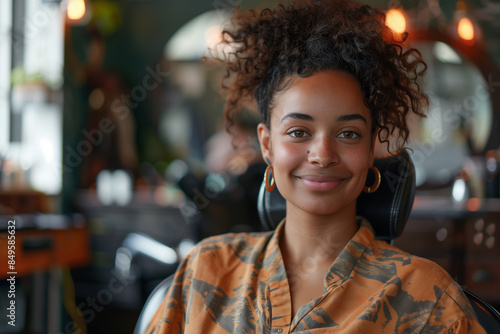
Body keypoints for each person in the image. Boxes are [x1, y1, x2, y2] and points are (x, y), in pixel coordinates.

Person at [143, 0, 486, 332]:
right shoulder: (206, 270)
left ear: (371, 149)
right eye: (298, 132)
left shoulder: (428, 299)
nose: (322, 154)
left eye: (349, 133)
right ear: (267, 144)